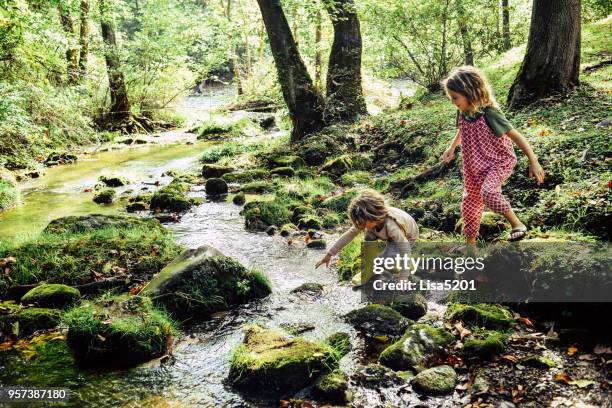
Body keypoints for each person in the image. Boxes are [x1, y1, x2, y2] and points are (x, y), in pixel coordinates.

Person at [441, 66, 545, 243]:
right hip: (474, 166)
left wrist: (533, 161)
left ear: (469, 92)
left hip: (498, 162)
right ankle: (470, 247)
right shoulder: (463, 111)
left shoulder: (490, 114)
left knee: (488, 192)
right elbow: (462, 130)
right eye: (451, 98)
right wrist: (452, 147)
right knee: (469, 204)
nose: (453, 102)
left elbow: (517, 136)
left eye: (455, 97)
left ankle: (517, 224)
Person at [315, 190, 419, 285]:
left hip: (409, 236)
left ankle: (408, 266)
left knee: (387, 262)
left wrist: (403, 278)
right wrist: (329, 254)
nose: (361, 227)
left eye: (362, 223)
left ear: (373, 217)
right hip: (387, 235)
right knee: (369, 236)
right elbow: (349, 234)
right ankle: (369, 270)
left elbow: (405, 249)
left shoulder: (392, 226)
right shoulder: (367, 221)